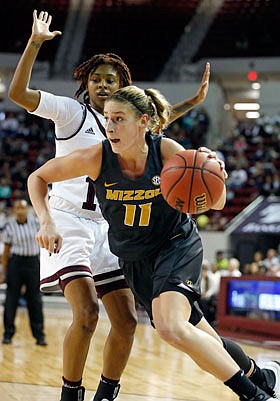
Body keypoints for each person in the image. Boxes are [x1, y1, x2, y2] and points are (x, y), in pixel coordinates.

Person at [27, 85, 280, 401]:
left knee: (170, 327)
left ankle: (255, 397)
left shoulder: (166, 152)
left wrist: (216, 174)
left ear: (143, 121)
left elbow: (216, 204)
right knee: (200, 334)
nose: (110, 127)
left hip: (174, 245)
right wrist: (47, 219)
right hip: (135, 260)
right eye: (107, 119)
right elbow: (37, 178)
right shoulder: (96, 158)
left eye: (119, 119)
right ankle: (264, 376)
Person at [8, 10, 211, 401]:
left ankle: (107, 392)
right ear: (85, 82)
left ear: (123, 86)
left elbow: (158, 121)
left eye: (111, 80)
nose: (102, 84)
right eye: (96, 78)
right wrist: (35, 43)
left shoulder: (125, 125)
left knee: (127, 320)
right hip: (66, 221)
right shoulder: (72, 113)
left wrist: (195, 100)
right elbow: (18, 94)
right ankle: (71, 393)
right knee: (86, 315)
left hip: (107, 227)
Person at [0, 199, 47, 346]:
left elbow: (43, 247)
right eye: (18, 208)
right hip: (16, 263)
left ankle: (39, 336)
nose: (20, 210)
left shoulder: (36, 223)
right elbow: (6, 252)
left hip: (33, 263)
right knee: (11, 299)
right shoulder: (9, 227)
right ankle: (8, 334)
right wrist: (3, 272)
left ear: (27, 210)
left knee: (35, 300)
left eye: (23, 207)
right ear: (14, 210)